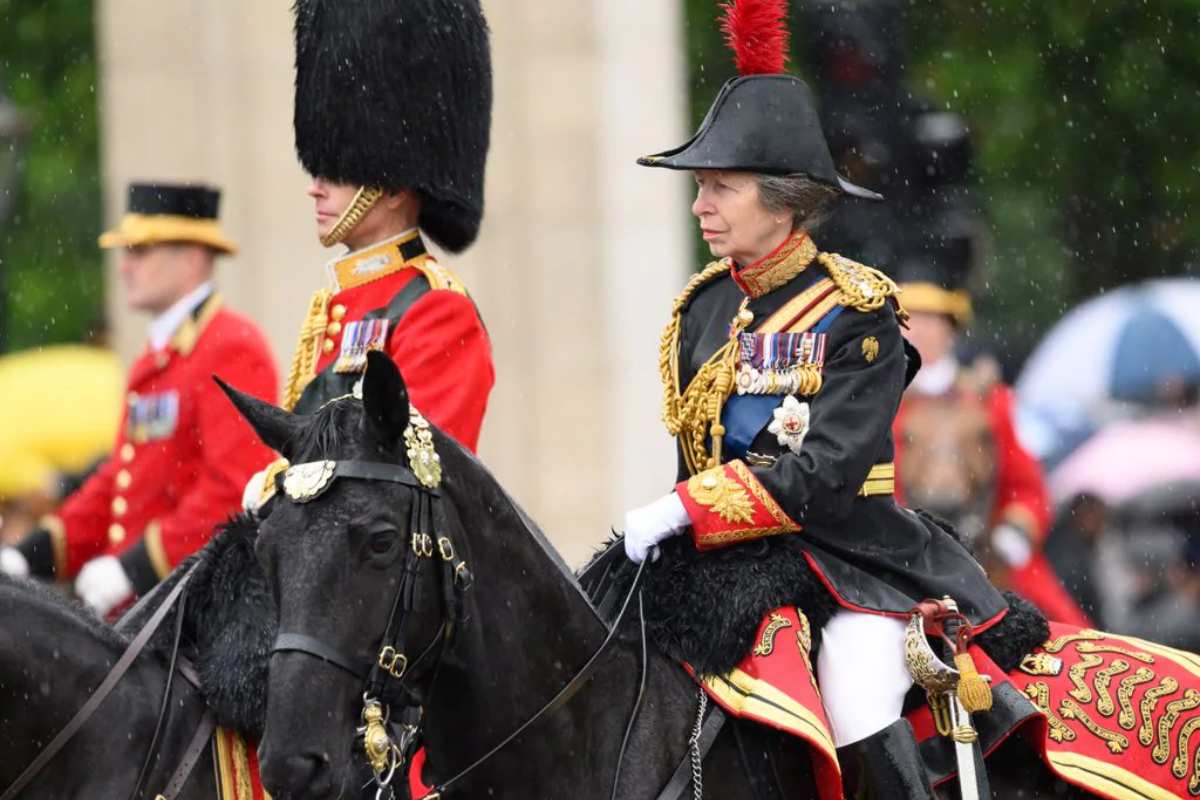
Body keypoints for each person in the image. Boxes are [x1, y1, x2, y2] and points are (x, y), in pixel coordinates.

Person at [620, 3, 1009, 796]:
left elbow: (828, 472)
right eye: (700, 189)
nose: (700, 207)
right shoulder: (700, 309)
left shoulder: (857, 309)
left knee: (858, 692)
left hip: (850, 559)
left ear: (783, 202)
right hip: (721, 564)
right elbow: (697, 449)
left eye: (720, 189)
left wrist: (690, 508)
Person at [0, 183, 278, 616]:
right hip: (149, 608)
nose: (125, 267)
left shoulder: (231, 345)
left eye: (140, 251)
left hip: (201, 610)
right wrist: (30, 554)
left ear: (192, 257)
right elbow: (119, 479)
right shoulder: (157, 356)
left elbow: (234, 489)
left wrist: (134, 568)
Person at [272, 0, 493, 440]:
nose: (315, 188)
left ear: (392, 189)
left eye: (335, 174)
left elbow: (416, 470)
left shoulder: (435, 309)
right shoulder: (334, 306)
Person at [892, 247, 1091, 627]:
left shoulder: (992, 401)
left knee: (1067, 636)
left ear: (950, 328)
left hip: (990, 559)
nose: (918, 329)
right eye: (908, 319)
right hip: (904, 561)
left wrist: (1012, 536)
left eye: (930, 319)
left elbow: (1027, 488)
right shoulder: (880, 402)